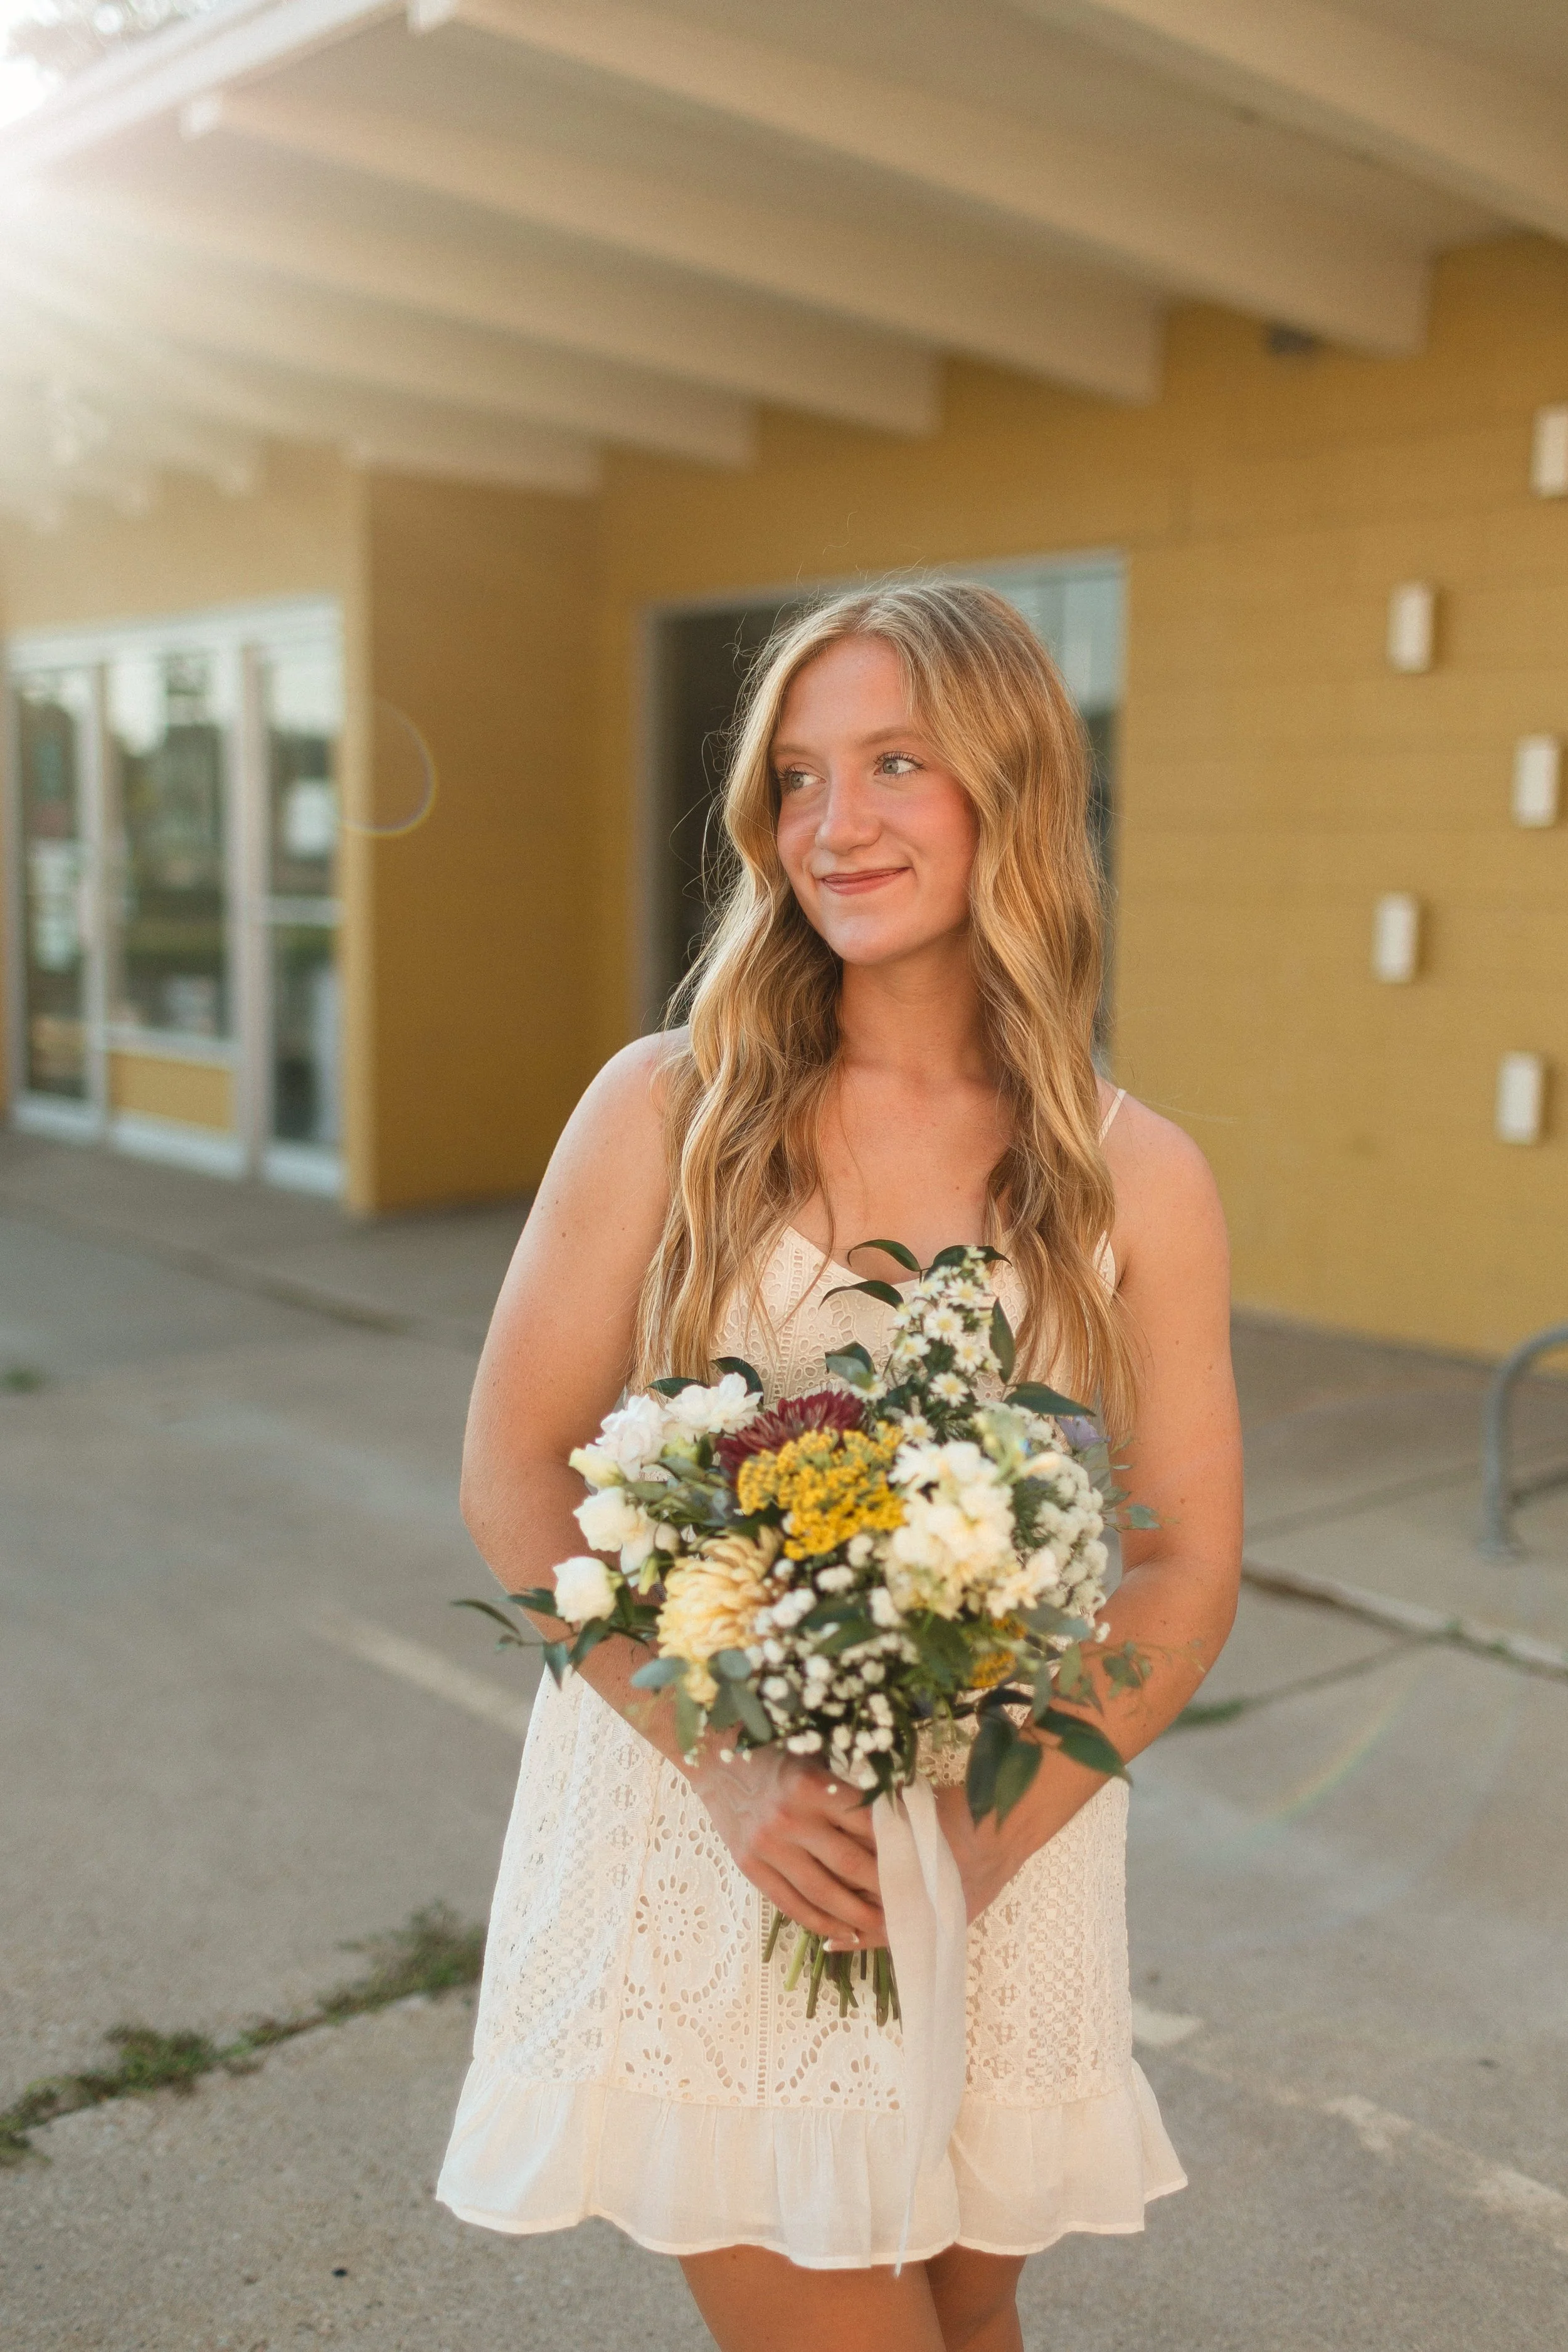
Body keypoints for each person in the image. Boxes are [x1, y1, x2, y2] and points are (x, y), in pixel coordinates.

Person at [438, 581, 1242, 2351]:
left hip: (998, 1842)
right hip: (716, 1831)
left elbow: (1182, 1564)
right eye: (796, 777)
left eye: (893, 762)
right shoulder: (669, 1102)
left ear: (1011, 790)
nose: (834, 823)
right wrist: (721, 1762)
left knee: (969, 2319)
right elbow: (515, 1471)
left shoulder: (1134, 1173)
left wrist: (981, 1844)